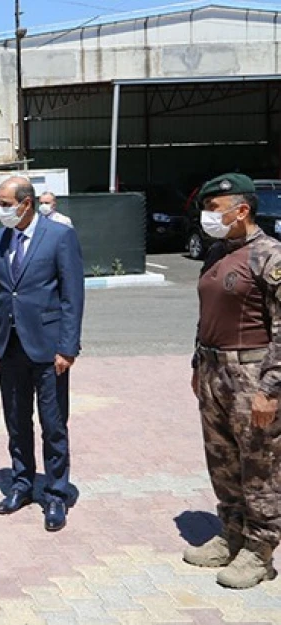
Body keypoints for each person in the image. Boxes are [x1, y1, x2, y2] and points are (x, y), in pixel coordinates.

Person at [185, 173, 281, 589]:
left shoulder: (269, 256)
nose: (207, 217)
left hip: (251, 374)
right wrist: (196, 364)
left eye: (213, 209)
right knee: (222, 460)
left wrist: (271, 388)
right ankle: (232, 534)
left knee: (259, 465)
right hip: (213, 371)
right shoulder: (218, 253)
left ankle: (260, 552)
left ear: (241, 210)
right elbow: (205, 315)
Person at [0, 176, 84, 532]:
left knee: (53, 424)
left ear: (26, 204)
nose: (1, 211)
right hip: (10, 347)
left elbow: (73, 295)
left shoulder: (59, 236)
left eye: (6, 204)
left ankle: (56, 493)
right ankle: (22, 483)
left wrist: (68, 347)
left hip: (48, 348)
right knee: (16, 421)